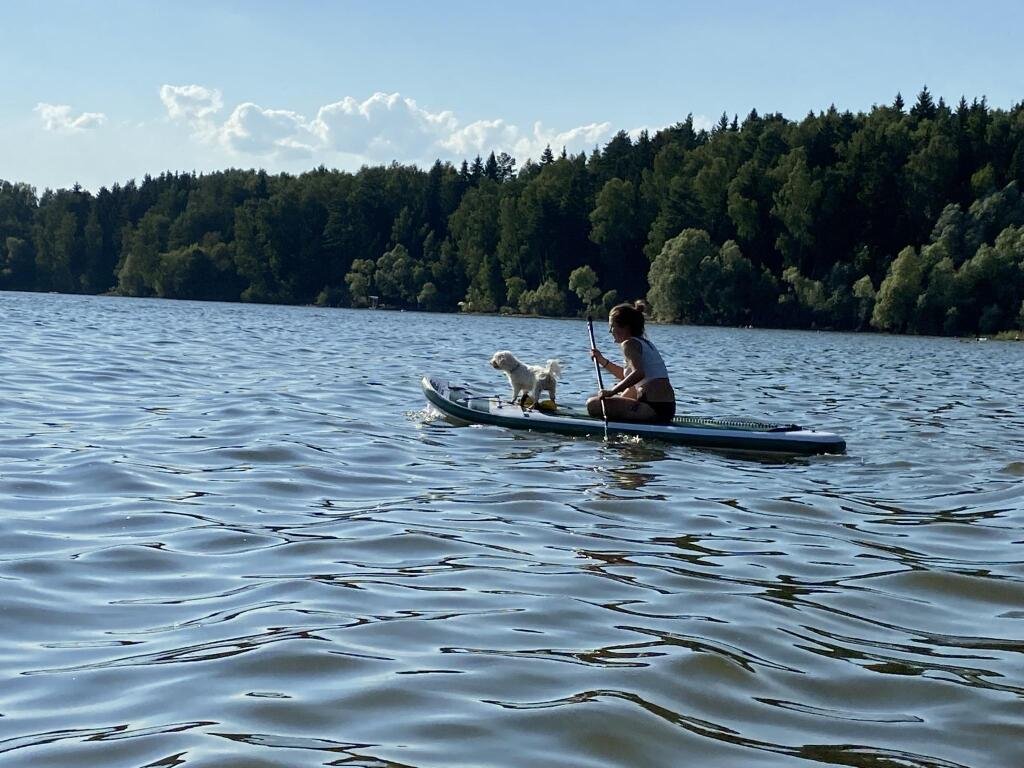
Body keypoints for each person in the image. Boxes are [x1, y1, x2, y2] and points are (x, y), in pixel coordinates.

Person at [587, 301, 676, 423]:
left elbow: (639, 373)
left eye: (612, 326)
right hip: (668, 409)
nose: (610, 331)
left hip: (652, 408)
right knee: (628, 391)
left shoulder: (628, 344)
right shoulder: (645, 343)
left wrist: (611, 392)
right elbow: (628, 376)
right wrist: (602, 361)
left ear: (625, 327)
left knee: (592, 404)